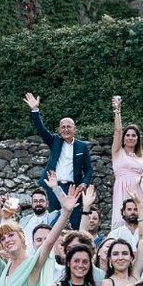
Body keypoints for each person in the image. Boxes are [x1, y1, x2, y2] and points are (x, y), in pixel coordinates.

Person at [27, 92, 92, 230]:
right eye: (63, 127)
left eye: (69, 126)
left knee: (75, 221)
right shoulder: (55, 141)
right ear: (59, 130)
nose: (66, 129)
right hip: (53, 187)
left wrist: (84, 183)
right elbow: (41, 129)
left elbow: (88, 169)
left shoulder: (82, 146)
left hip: (72, 188)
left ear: (74, 129)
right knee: (52, 221)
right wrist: (35, 110)